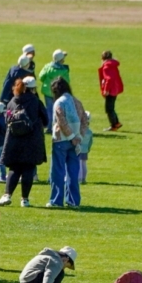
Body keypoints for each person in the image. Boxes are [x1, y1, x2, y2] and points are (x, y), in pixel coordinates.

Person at [0, 77, 47, 208]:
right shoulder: (36, 102)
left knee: (14, 168)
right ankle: (25, 199)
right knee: (28, 169)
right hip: (32, 141)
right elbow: (46, 120)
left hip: (14, 141)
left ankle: (7, 195)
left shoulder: (13, 101)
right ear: (33, 88)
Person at [48, 78, 84, 209]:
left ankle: (56, 201)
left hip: (60, 140)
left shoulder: (59, 102)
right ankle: (73, 201)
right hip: (75, 143)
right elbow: (85, 120)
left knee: (57, 172)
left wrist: (71, 136)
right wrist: (79, 137)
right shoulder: (77, 102)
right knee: (73, 172)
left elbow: (61, 121)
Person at [38, 49, 70, 132]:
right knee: (58, 109)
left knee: (49, 109)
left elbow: (41, 76)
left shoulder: (47, 67)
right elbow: (67, 81)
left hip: (47, 91)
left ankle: (49, 127)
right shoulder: (64, 70)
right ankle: (56, 126)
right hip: (58, 92)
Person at [98, 50, 123, 131]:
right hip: (115, 89)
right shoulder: (113, 65)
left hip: (110, 90)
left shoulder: (106, 67)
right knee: (111, 108)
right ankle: (116, 123)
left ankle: (114, 125)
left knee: (109, 109)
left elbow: (109, 79)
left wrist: (106, 90)